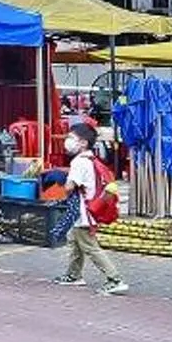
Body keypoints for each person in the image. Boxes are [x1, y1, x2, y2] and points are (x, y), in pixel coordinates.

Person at [54, 120, 129, 294]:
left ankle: (114, 279)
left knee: (89, 247)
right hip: (86, 210)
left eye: (71, 138)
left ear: (83, 143)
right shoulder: (90, 159)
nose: (68, 141)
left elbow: (70, 187)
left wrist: (59, 181)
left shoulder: (79, 162)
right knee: (75, 243)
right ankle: (73, 275)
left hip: (83, 211)